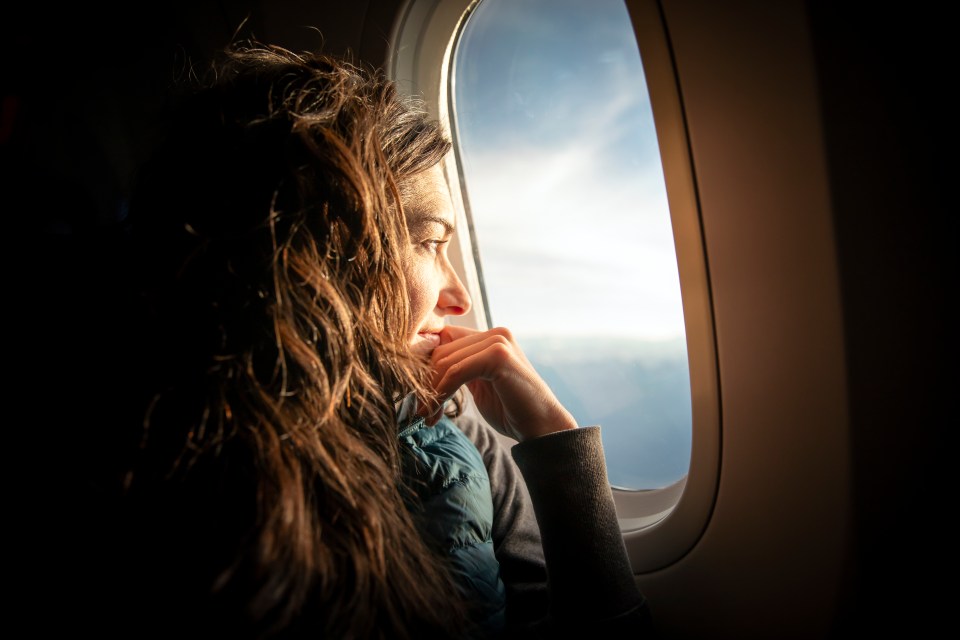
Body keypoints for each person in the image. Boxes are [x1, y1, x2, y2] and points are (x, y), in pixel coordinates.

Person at [88, 41, 651, 639]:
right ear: (322, 254)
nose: (459, 297)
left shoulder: (457, 428)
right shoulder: (166, 477)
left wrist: (554, 439)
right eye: (431, 242)